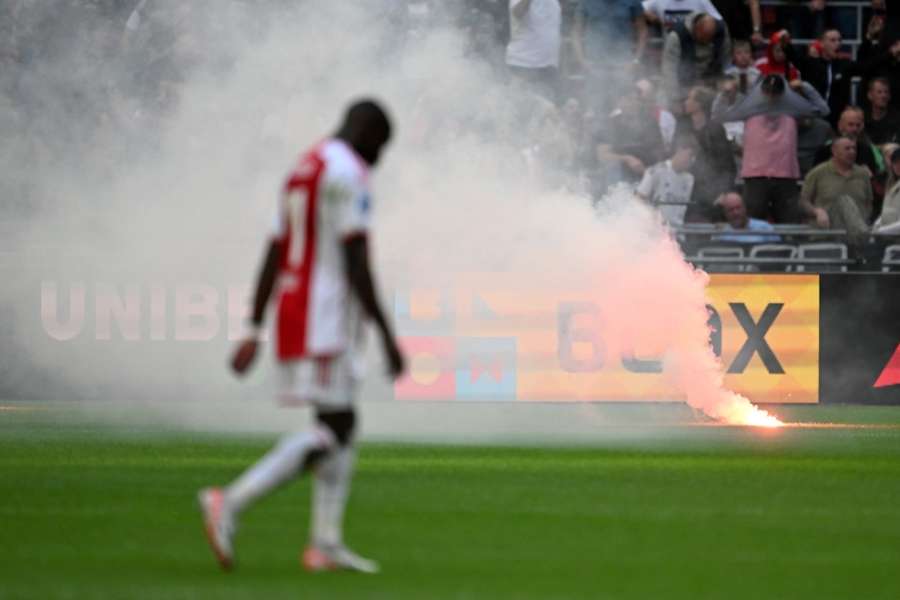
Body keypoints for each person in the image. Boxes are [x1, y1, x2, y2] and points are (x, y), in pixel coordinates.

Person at [198, 99, 406, 574]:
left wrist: (254, 325)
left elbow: (274, 250)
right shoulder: (348, 172)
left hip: (297, 310)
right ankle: (229, 502)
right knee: (335, 428)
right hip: (325, 317)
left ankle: (325, 544)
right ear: (370, 135)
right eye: (381, 148)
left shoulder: (303, 168)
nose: (379, 159)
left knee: (339, 424)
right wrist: (388, 335)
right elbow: (356, 258)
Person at [718, 74, 829, 223]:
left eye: (775, 92)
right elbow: (718, 115)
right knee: (752, 225)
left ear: (783, 93)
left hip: (785, 176)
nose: (771, 96)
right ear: (761, 91)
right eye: (767, 91)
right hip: (755, 176)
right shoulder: (749, 110)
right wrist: (724, 94)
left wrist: (805, 87)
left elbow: (824, 110)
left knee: (789, 225)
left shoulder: (792, 110)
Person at [799, 135, 873, 243]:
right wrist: (816, 211)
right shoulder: (817, 173)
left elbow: (869, 202)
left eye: (854, 148)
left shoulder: (863, 174)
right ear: (834, 151)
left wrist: (864, 219)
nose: (852, 152)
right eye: (847, 148)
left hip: (856, 238)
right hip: (826, 236)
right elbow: (803, 201)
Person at [661, 12, 731, 111]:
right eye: (704, 37)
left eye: (710, 37)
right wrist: (675, 100)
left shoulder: (722, 31)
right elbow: (669, 71)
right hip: (684, 86)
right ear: (695, 29)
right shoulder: (676, 36)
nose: (708, 41)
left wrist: (726, 80)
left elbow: (726, 59)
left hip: (711, 83)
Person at [505, 0, 562, 103]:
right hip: (524, 64)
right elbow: (517, 12)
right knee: (524, 113)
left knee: (548, 114)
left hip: (549, 65)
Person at [635, 136, 696, 227]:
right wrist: (651, 218)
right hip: (656, 231)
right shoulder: (656, 171)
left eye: (694, 157)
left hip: (678, 233)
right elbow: (638, 200)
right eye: (690, 155)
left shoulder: (689, 179)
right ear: (680, 150)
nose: (692, 160)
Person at [714, 191, 780, 243]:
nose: (736, 213)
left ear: (745, 208)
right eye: (731, 210)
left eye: (738, 208)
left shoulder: (765, 228)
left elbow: (778, 254)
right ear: (725, 213)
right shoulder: (721, 234)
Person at [865, 77, 900, 145]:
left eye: (886, 92)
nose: (884, 96)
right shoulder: (862, 118)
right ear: (870, 95)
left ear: (889, 96)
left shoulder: (897, 119)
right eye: (879, 92)